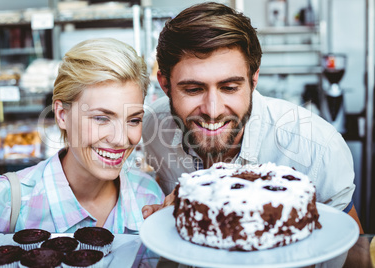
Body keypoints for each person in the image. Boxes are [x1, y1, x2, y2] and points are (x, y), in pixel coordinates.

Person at [141, 2, 363, 233]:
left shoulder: (316, 148)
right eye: (193, 90)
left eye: (229, 87)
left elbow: (351, 251)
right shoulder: (150, 127)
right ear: (165, 85)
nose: (213, 110)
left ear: (253, 80)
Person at [0, 38, 164, 234]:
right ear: (62, 115)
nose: (121, 139)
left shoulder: (149, 197)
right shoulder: (0, 203)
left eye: (133, 120)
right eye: (101, 118)